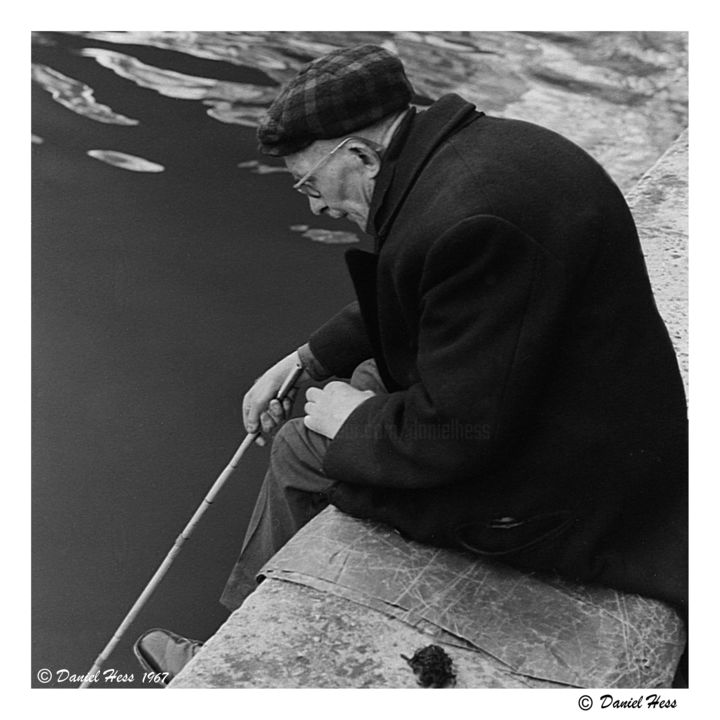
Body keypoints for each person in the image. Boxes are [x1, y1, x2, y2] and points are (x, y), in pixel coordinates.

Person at [135, 43, 688, 681]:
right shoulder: (493, 155)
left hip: (566, 489)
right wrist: (309, 357)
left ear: (363, 155)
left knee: (300, 447)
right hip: (590, 409)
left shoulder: (471, 221)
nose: (315, 206)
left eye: (312, 184)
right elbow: (426, 296)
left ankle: (226, 655)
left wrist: (351, 422)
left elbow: (457, 435)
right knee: (358, 381)